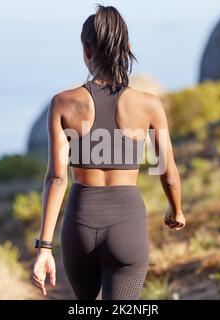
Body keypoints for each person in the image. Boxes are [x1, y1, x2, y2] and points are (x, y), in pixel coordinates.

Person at [32, 4, 185, 300]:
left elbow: (56, 179)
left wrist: (44, 248)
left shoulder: (63, 103)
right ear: (127, 48)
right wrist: (175, 210)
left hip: (79, 225)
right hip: (126, 225)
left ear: (87, 50)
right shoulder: (148, 104)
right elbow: (167, 172)